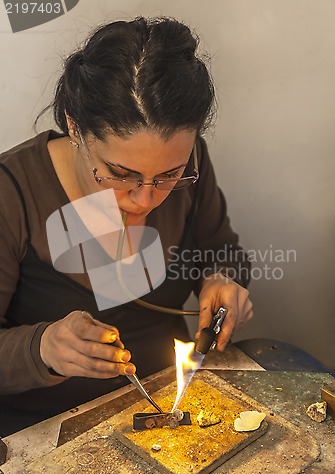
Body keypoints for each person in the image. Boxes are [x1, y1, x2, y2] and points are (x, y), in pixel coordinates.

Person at [0, 17, 253, 436]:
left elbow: (221, 252)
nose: (146, 199)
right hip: (45, 435)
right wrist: (43, 347)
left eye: (169, 174)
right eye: (121, 173)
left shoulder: (191, 162)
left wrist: (221, 281)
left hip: (163, 406)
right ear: (75, 127)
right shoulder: (12, 194)